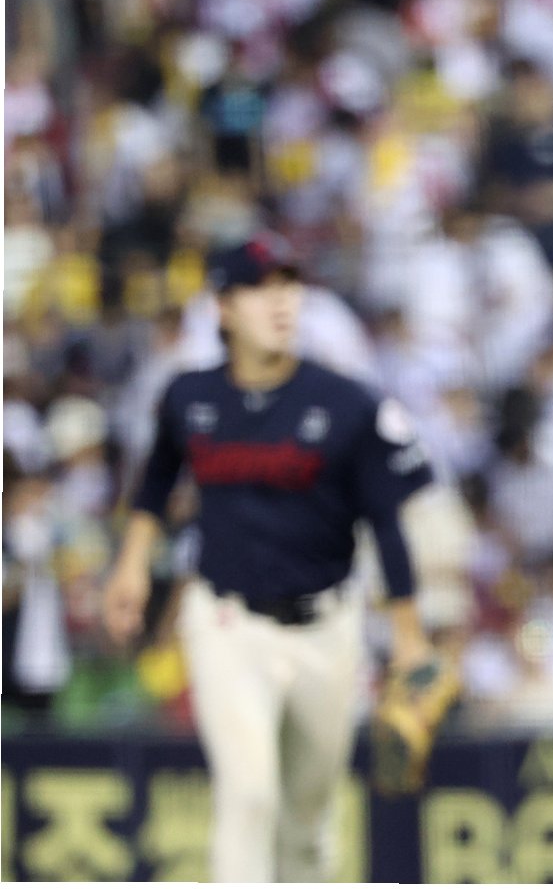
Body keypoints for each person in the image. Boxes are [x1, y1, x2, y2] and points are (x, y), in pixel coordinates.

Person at [102, 233, 439, 882]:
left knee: (308, 821)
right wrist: (132, 563)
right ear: (224, 307)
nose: (280, 301)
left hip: (326, 627)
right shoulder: (190, 396)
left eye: (289, 285)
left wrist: (409, 636)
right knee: (249, 794)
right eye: (259, 288)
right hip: (228, 621)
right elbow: (155, 482)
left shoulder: (346, 401)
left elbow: (386, 523)